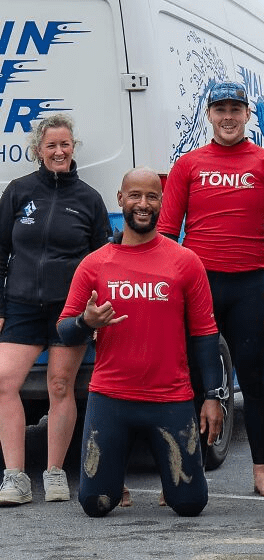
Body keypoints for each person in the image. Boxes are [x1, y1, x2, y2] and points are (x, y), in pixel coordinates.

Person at [56, 167, 223, 517]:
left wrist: (212, 396)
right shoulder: (94, 264)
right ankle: (114, 478)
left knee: (190, 505)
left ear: (162, 203)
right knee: (96, 504)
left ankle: (170, 481)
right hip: (111, 398)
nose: (142, 204)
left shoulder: (185, 261)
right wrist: (86, 322)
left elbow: (205, 334)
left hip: (171, 398)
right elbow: (64, 331)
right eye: (134, 195)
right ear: (120, 199)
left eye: (151, 196)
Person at [158, 81, 264, 497]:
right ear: (209, 114)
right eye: (220, 109)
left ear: (247, 115)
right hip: (197, 287)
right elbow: (166, 233)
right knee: (188, 381)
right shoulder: (188, 165)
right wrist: (165, 291)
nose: (228, 116)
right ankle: (186, 471)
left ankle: (259, 472)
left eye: (236, 108)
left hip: (248, 287)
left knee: (253, 382)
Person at [0, 114, 110, 506]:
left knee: (60, 386)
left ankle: (55, 472)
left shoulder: (89, 199)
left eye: (65, 144)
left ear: (73, 148)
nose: (59, 151)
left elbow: (102, 261)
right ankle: (15, 477)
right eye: (51, 146)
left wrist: (95, 314)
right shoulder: (17, 191)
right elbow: (1, 252)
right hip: (22, 306)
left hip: (71, 310)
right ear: (38, 151)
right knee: (3, 382)